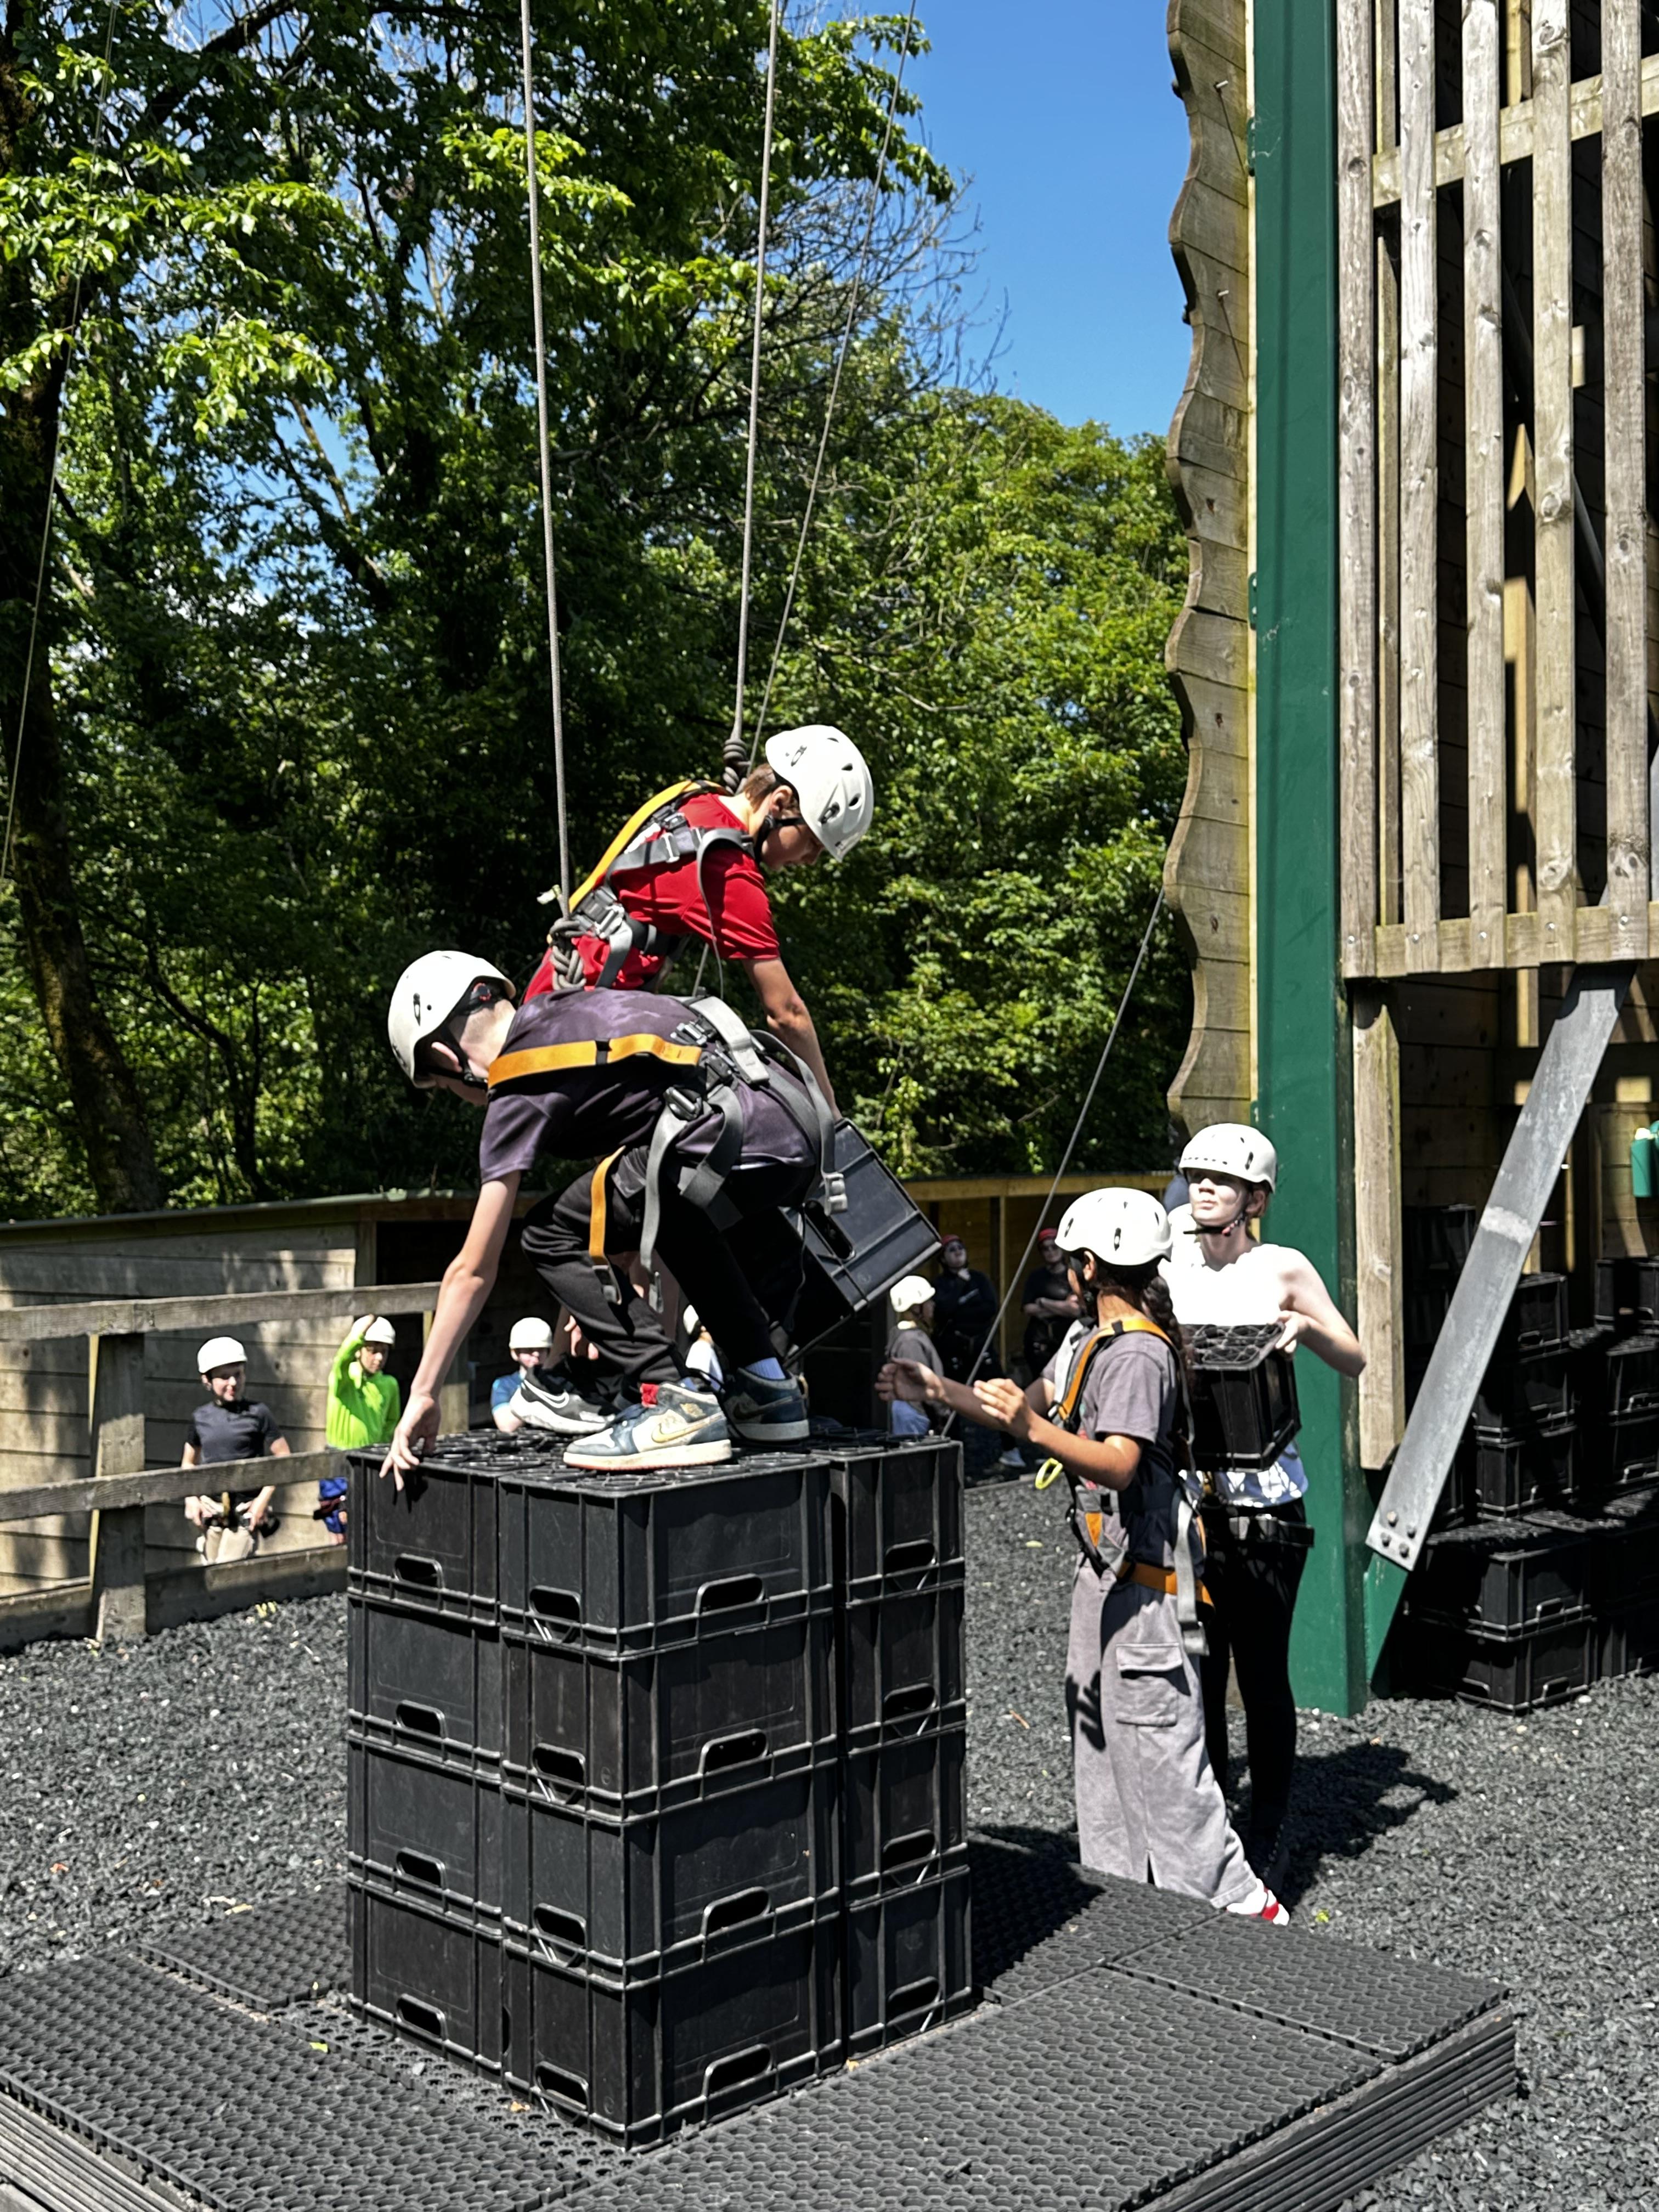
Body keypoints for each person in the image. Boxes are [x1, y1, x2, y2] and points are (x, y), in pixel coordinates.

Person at [878, 1188, 1286, 1921]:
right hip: (1106, 1579)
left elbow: (1119, 1463)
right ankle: (1125, 1906)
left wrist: (1032, 1432)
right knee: (1101, 1752)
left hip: (1146, 1590)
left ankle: (1242, 1904)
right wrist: (938, 1388)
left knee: (1165, 1758)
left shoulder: (1137, 1354)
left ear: (1089, 1267)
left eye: (1071, 1260)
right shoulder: (1086, 1341)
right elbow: (1027, 1403)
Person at [379, 952, 830, 1477]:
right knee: (675, 1213)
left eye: (445, 1087)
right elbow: (623, 1188)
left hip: (718, 1137)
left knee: (546, 1232)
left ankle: (672, 1397)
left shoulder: (518, 1082)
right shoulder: (563, 1011)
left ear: (446, 1055)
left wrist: (424, 1391)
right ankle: (766, 1386)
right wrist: (593, 1298)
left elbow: (473, 1269)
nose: (460, 1097)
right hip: (792, 1130)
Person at [1166, 1123, 1365, 1895]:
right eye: (1197, 1177)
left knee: (1260, 1670)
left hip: (1266, 1507)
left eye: (1221, 1180)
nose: (1204, 1189)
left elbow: (1355, 1356)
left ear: (1255, 1198)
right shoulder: (1169, 1257)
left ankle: (1271, 1826)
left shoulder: (1281, 1267)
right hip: (1191, 1501)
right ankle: (1214, 1820)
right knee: (1202, 1667)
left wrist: (1305, 1328)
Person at [523, 726, 874, 1111]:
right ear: (780, 803)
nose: (811, 861)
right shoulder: (727, 872)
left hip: (562, 997)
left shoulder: (698, 798)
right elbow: (786, 1014)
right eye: (813, 843)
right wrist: (830, 1109)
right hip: (575, 1032)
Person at [181, 1336, 291, 1563]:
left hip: (245, 1510)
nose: (232, 1382)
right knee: (210, 1570)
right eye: (224, 1376)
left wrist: (262, 1500)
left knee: (227, 1569)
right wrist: (192, 1498)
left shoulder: (259, 1413)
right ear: (207, 1380)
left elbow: (283, 1457)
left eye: (238, 1374)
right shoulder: (200, 1417)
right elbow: (189, 1462)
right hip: (211, 1510)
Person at [318, 1315, 400, 1541]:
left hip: (371, 1461)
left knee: (371, 1528)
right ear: (359, 1350)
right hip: (338, 1462)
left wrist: (381, 1450)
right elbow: (341, 1361)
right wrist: (357, 1336)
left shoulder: (389, 1385)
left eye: (384, 1351)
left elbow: (391, 1422)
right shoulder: (344, 1379)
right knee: (339, 1531)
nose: (379, 1357)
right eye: (372, 1350)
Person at [932, 1235, 998, 1383]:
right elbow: (943, 1312)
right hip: (954, 1347)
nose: (958, 1252)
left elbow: (991, 1308)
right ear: (943, 1259)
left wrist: (958, 1313)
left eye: (960, 1248)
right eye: (952, 1250)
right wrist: (960, 1284)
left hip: (981, 1343)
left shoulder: (979, 1279)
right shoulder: (940, 1284)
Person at [885, 1274, 942, 1438]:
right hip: (916, 1412)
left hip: (913, 1411)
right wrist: (941, 1412)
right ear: (916, 1308)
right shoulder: (910, 1342)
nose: (933, 1305)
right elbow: (922, 1383)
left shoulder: (909, 1336)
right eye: (928, 1301)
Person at [1022, 1226, 1081, 1379]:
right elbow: (1028, 1309)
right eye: (1045, 1249)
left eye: (1054, 1247)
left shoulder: (1072, 1275)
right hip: (1040, 1343)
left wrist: (1043, 1302)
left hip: (1067, 1342)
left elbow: (1076, 1310)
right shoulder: (1036, 1277)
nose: (1051, 1252)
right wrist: (1063, 1307)